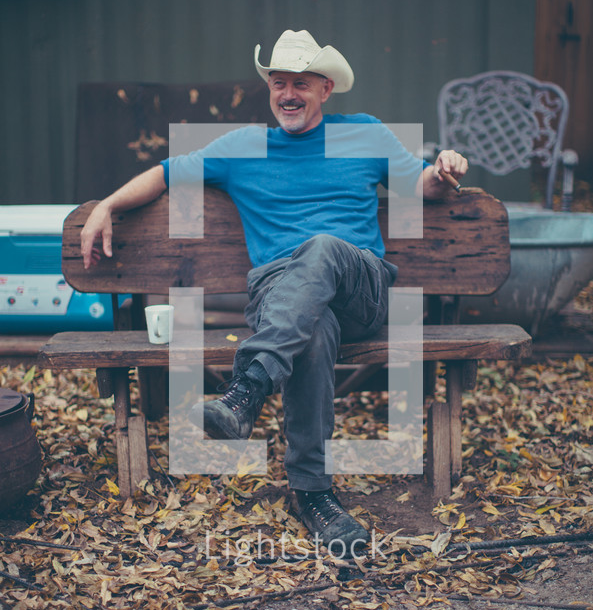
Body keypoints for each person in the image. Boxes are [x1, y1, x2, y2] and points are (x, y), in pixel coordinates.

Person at [81, 29, 468, 553]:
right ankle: (313, 495)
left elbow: (424, 186)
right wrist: (106, 206)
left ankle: (247, 389)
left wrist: (446, 170)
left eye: (301, 84)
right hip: (280, 295)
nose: (288, 93)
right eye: (279, 82)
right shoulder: (242, 148)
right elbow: (164, 174)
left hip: (360, 286)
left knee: (324, 247)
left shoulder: (368, 134)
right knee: (312, 329)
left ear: (326, 89)